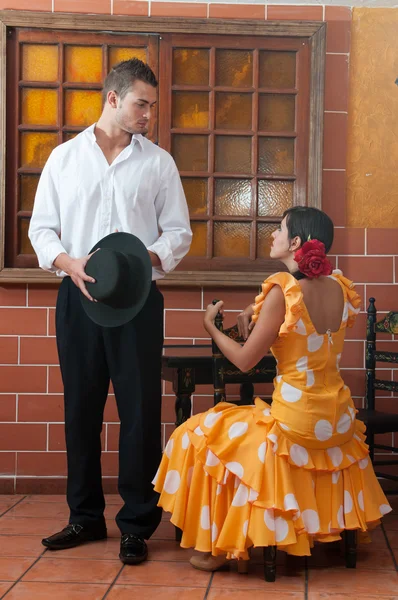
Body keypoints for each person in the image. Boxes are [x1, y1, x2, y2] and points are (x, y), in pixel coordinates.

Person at [153, 206, 391, 571]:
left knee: (195, 434)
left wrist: (211, 328)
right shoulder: (340, 287)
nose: (273, 236)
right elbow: (299, 308)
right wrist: (254, 308)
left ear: (295, 242)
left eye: (279, 230)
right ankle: (316, 532)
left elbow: (246, 361)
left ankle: (218, 547)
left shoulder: (283, 289)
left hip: (295, 422)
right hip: (338, 422)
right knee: (239, 431)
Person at [28, 58, 192, 565]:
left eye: (152, 106)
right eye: (142, 104)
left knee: (140, 411)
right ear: (114, 98)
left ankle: (137, 525)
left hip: (138, 303)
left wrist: (136, 259)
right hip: (77, 299)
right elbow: (41, 230)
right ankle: (84, 518)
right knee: (80, 409)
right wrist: (69, 262)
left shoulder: (159, 162)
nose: (149, 114)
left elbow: (179, 233)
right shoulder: (63, 159)